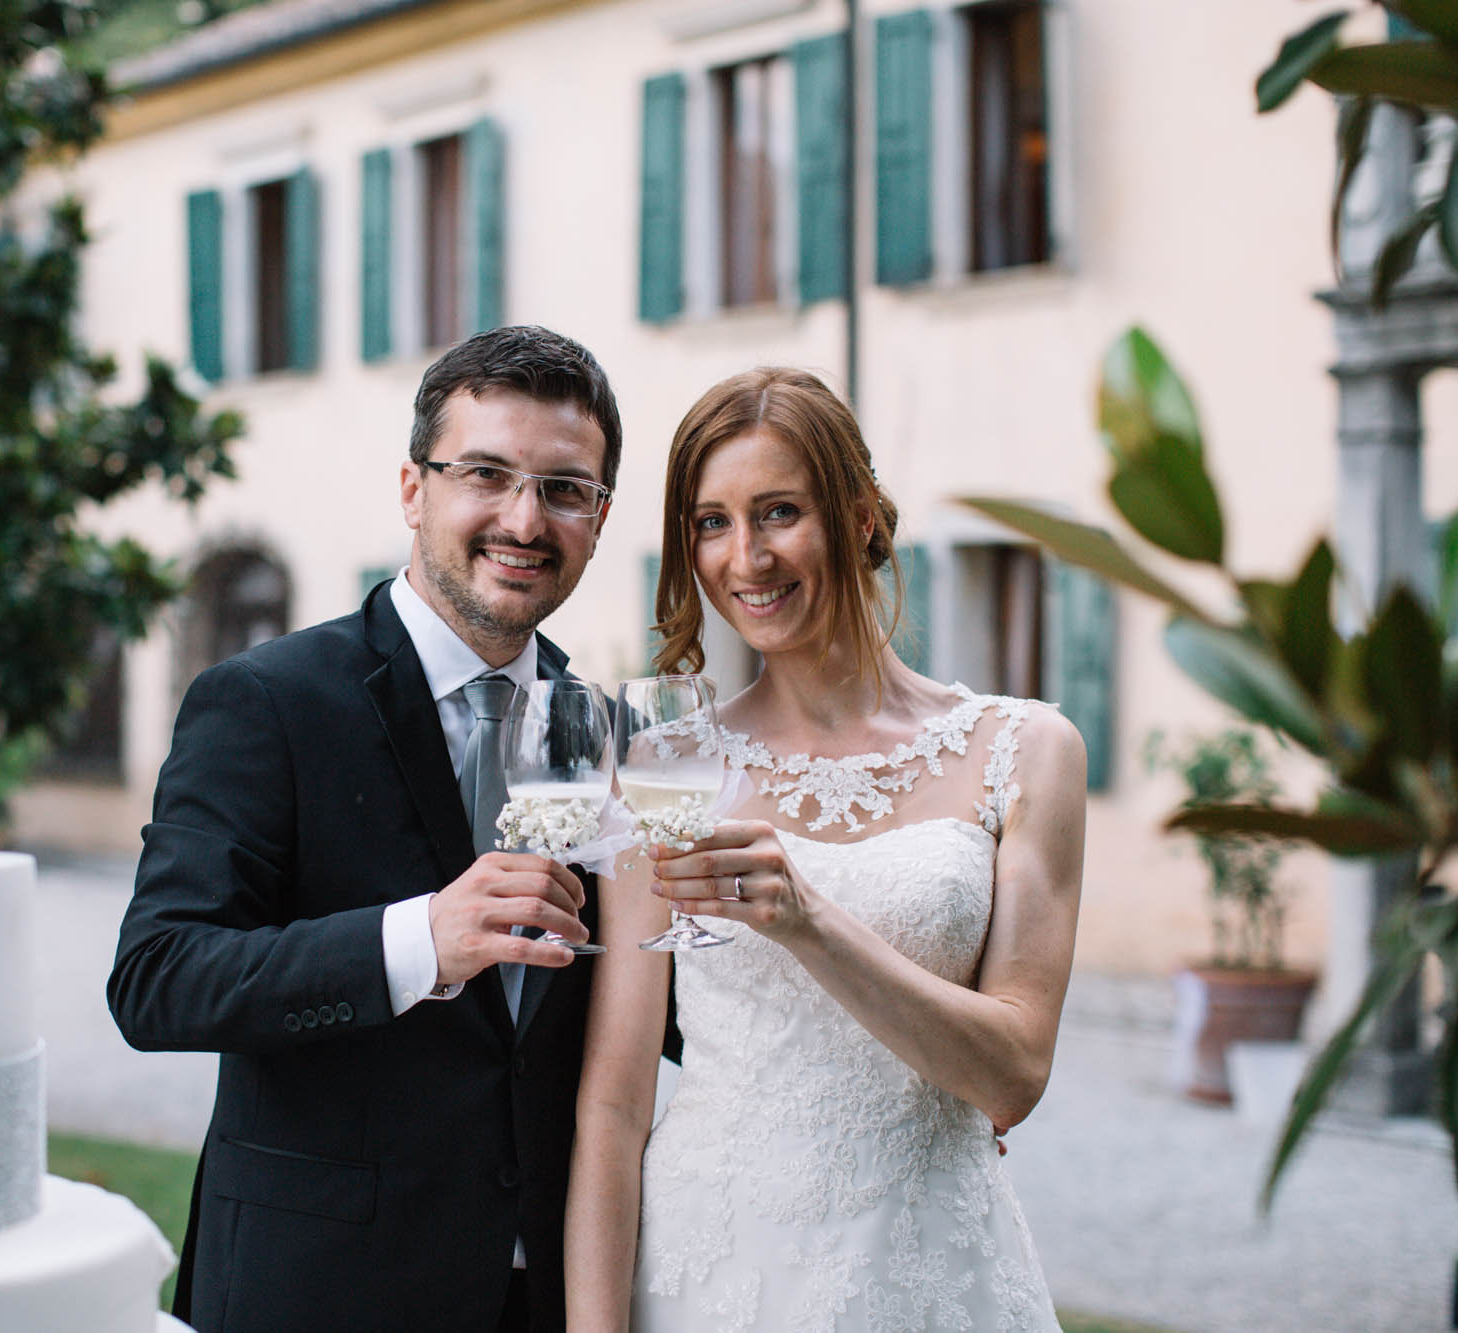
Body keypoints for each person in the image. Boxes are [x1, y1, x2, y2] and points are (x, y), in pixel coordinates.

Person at [110, 325, 623, 1332]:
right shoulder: (264, 700)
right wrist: (417, 938)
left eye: (565, 489)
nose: (525, 519)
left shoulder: (596, 724)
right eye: (486, 473)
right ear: (412, 488)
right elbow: (158, 977)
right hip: (318, 1289)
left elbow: (632, 1007)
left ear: (598, 516)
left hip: (543, 1296)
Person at [565, 367, 1085, 1331]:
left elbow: (1014, 1076)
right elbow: (614, 1107)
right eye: (712, 523)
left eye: (778, 512)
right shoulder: (664, 763)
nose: (746, 558)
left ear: (858, 518)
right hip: (710, 1267)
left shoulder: (1024, 752)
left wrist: (809, 922)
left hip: (933, 1266)